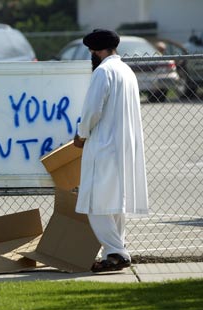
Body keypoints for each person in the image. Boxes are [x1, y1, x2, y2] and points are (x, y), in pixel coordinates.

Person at [73, 29, 149, 272]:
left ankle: (117, 251)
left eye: (91, 51)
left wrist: (81, 133)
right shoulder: (126, 71)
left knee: (95, 204)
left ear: (97, 50)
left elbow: (92, 110)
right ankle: (112, 254)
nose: (91, 56)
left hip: (104, 146)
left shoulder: (103, 71)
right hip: (124, 146)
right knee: (116, 204)